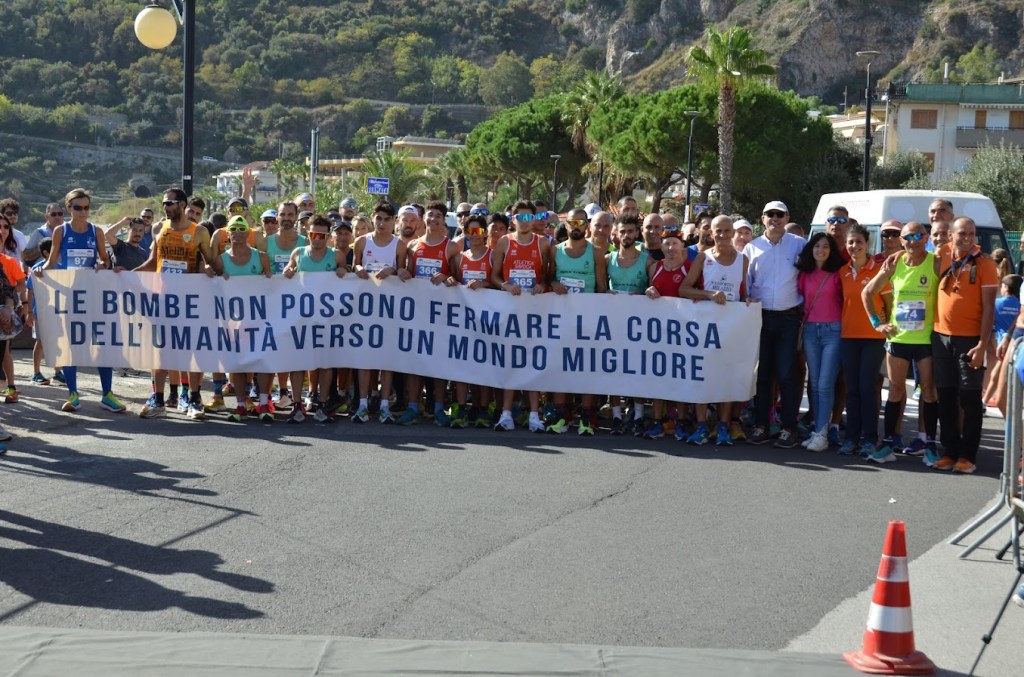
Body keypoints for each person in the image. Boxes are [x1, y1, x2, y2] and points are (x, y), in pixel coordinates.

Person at [37, 188, 125, 414]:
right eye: (78, 208)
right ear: (69, 208)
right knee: (70, 345)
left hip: (92, 295)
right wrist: (39, 270)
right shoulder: (61, 231)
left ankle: (107, 395)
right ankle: (73, 394)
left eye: (86, 207)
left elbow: (105, 260)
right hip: (69, 296)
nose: (83, 212)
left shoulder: (96, 231)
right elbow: (51, 261)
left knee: (101, 344)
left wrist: (103, 265)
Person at [862, 221, 940, 464]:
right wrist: (877, 323)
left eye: (918, 236)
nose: (913, 241)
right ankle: (887, 444)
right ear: (901, 240)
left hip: (925, 339)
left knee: (929, 391)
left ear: (926, 237)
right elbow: (867, 292)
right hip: (898, 338)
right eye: (907, 237)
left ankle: (930, 445)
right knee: (895, 390)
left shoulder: (935, 262)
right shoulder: (894, 263)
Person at [134, 188, 215, 420]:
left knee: (192, 352)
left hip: (190, 301)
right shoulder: (159, 228)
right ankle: (158, 400)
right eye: (163, 203)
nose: (165, 207)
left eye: (169, 203)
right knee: (161, 352)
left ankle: (194, 399)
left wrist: (214, 271)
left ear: (181, 204)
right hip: (163, 300)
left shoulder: (199, 231)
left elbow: (210, 261)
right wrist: (128, 274)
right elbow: (153, 262)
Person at [930, 217, 999, 473]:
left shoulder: (985, 263)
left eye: (971, 233)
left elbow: (989, 307)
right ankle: (949, 451)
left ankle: (967, 456)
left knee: (969, 399)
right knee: (946, 397)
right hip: (940, 337)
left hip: (970, 340)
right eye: (962, 233)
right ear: (951, 235)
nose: (967, 238)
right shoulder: (941, 255)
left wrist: (982, 345)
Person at [679, 215, 748, 446]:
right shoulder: (703, 257)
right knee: (703, 376)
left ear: (733, 233)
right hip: (705, 327)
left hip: (731, 328)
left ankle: (723, 426)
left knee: (726, 377)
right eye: (718, 231)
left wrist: (749, 300)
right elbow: (684, 289)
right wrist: (709, 295)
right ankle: (701, 426)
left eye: (727, 231)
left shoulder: (743, 260)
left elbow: (744, 293)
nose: (722, 235)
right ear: (711, 233)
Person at [743, 201, 806, 448]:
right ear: (762, 218)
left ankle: (789, 427)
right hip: (760, 317)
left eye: (780, 214)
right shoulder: (752, 247)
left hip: (789, 318)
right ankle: (761, 425)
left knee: (787, 374)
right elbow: (746, 283)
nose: (775, 218)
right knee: (763, 375)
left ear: (787, 218)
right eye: (770, 214)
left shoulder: (800, 245)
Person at [490, 200, 553, 432]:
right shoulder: (505, 242)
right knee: (511, 361)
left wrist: (543, 285)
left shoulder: (543, 243)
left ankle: (535, 414)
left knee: (532, 362)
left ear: (534, 219)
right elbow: (494, 276)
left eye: (529, 217)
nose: (525, 222)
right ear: (513, 219)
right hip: (511, 312)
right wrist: (505, 285)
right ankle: (506, 414)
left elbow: (549, 275)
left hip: (535, 311)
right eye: (521, 217)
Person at [206, 216, 273, 422]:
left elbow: (273, 285)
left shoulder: (261, 257)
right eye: (233, 229)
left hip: (258, 319)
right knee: (237, 364)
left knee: (262, 362)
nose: (236, 233)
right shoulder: (221, 260)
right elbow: (211, 285)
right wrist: (212, 274)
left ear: (247, 233)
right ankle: (241, 405)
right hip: (233, 321)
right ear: (228, 234)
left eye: (241, 229)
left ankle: (264, 404)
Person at [547, 208, 608, 435]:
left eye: (581, 222)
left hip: (587, 321)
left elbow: (601, 288)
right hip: (561, 319)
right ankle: (562, 414)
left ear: (587, 225)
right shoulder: (555, 250)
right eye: (572, 222)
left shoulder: (596, 252)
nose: (576, 226)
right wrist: (554, 283)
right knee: (561, 366)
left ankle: (586, 414)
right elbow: (548, 278)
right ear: (566, 224)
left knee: (586, 368)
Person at [401, 201, 461, 426]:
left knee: (439, 362)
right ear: (423, 218)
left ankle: (438, 408)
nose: (433, 219)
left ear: (444, 221)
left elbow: (458, 280)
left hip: (441, 314)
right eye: (430, 215)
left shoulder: (451, 247)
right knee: (414, 361)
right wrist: (403, 273)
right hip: (417, 313)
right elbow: (408, 274)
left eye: (438, 216)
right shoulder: (413, 245)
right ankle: (412, 407)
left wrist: (447, 278)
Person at [350, 202, 410, 424]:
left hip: (388, 311)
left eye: (386, 219)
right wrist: (358, 269)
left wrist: (393, 270)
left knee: (386, 359)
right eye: (379, 218)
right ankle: (362, 405)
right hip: (365, 310)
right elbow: (355, 265)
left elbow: (402, 270)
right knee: (364, 358)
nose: (382, 223)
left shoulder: (399, 245)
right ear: (373, 218)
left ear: (393, 221)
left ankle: (385, 406)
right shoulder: (361, 241)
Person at [837, 224, 891, 455]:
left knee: (867, 388)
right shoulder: (842, 272)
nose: (854, 246)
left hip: (873, 338)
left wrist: (886, 327)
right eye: (850, 242)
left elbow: (889, 304)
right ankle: (851, 438)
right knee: (852, 390)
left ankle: (869, 438)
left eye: (859, 241)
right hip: (848, 337)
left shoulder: (879, 270)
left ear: (867, 243)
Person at [795, 233, 844, 452]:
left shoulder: (838, 274)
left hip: (833, 331)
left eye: (825, 246)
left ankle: (822, 433)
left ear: (831, 251)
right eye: (817, 246)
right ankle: (817, 430)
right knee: (814, 383)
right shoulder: (804, 274)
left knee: (825, 384)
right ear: (811, 249)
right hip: (810, 331)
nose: (821, 250)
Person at [641, 223, 690, 439]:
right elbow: (648, 291)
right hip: (658, 332)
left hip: (682, 332)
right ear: (661, 246)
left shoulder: (689, 267)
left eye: (675, 244)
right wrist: (648, 290)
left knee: (680, 378)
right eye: (667, 243)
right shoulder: (655, 267)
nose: (670, 247)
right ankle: (658, 421)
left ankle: (681, 421)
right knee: (658, 377)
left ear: (682, 246)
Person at [23, 203, 64, 267]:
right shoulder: (39, 232)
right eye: (53, 214)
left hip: (66, 269)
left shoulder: (70, 230)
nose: (57, 217)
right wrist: (43, 246)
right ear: (46, 216)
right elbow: (26, 255)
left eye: (60, 214)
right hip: (45, 270)